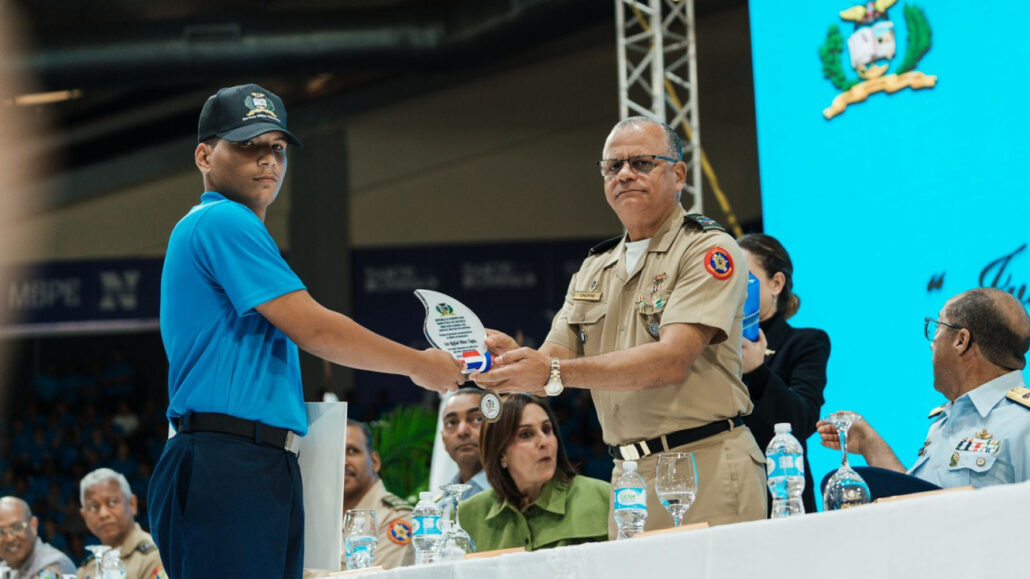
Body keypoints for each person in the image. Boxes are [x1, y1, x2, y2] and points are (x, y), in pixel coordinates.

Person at [147, 83, 464, 578]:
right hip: (226, 461)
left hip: (249, 460)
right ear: (204, 156)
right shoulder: (223, 221)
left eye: (276, 148)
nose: (267, 160)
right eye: (248, 145)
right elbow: (315, 330)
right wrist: (420, 365)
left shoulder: (224, 228)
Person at [472, 117, 767, 533]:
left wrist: (553, 372)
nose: (624, 174)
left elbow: (671, 361)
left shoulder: (707, 249)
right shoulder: (595, 267)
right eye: (613, 166)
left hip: (706, 463)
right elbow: (550, 364)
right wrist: (510, 364)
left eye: (642, 163)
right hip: (628, 476)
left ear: (678, 174)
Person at [817, 288, 1030, 489]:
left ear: (961, 340)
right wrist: (867, 442)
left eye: (937, 327)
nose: (932, 343)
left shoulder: (1023, 421)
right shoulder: (944, 421)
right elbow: (917, 502)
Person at [738, 233, 830, 513]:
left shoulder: (805, 342)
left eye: (743, 277)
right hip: (723, 493)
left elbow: (802, 420)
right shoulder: (711, 346)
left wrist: (757, 372)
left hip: (780, 496)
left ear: (776, 283)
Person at [459, 394, 609, 551]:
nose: (544, 442)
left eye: (547, 429)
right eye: (526, 434)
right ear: (501, 452)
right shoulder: (466, 516)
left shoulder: (602, 497)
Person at [341, 421, 413, 570]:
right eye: (333, 453)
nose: (342, 461)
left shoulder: (396, 516)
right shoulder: (315, 515)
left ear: (374, 462)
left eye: (352, 451)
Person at [77, 468, 165, 579]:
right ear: (84, 516)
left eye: (113, 502)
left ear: (132, 504)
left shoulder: (154, 557)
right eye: (94, 507)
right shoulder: (87, 569)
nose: (103, 514)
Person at [436, 388, 491, 509]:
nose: (462, 431)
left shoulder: (518, 494)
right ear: (443, 440)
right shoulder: (440, 505)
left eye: (478, 419)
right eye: (451, 423)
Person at [0, 496, 75, 578]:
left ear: (33, 525)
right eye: (1, 531)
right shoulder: (5, 568)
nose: (10, 538)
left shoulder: (53, 565)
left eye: (17, 527)